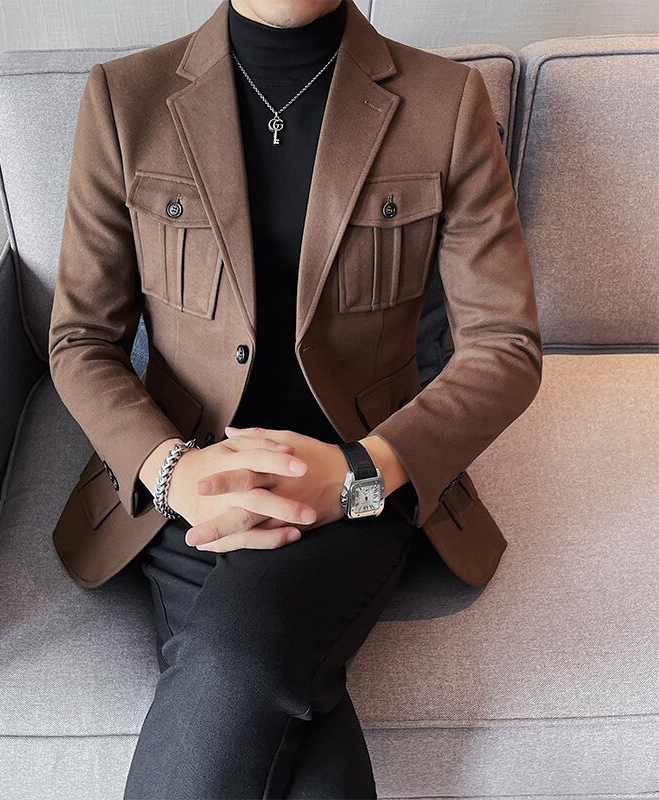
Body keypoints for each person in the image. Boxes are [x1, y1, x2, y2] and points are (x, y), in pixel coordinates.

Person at [47, 0, 543, 796]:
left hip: (363, 485)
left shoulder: (446, 102)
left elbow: (505, 348)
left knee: (236, 657)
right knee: (296, 746)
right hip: (190, 485)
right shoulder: (124, 98)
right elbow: (80, 340)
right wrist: (175, 472)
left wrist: (354, 476)